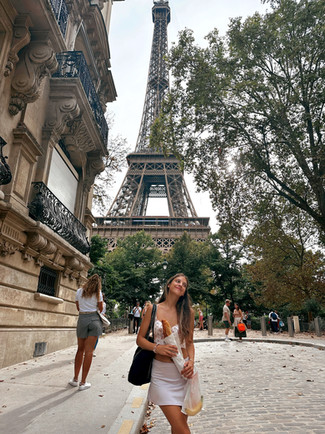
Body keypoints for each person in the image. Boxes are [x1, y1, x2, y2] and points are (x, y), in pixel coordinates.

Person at [137, 273, 195, 434]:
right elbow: (140, 339)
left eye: (184, 284)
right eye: (178, 281)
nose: (181, 285)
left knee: (178, 428)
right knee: (183, 431)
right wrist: (157, 348)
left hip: (183, 374)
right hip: (161, 376)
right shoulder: (153, 309)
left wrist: (192, 362)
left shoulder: (188, 313)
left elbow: (189, 343)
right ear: (168, 285)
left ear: (184, 292)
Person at [69, 274, 103, 391]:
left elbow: (78, 307)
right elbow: (101, 308)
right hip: (94, 320)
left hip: (82, 319)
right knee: (89, 352)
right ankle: (83, 383)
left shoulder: (79, 291)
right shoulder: (98, 293)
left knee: (80, 350)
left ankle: (75, 379)